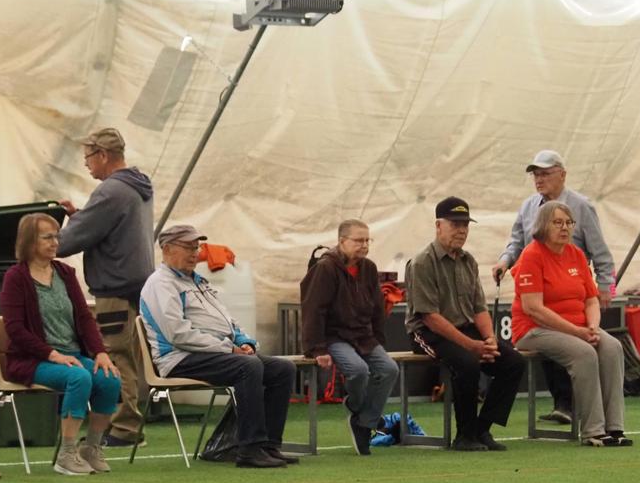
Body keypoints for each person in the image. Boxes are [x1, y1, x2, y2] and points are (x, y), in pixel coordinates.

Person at [140, 224, 297, 468]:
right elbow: (178, 334)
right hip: (179, 357)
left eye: (196, 247)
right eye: (188, 247)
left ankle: (268, 446)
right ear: (167, 249)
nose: (195, 253)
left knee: (282, 369)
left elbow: (225, 320)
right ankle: (249, 449)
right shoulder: (161, 284)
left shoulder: (196, 281)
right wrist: (228, 348)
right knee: (248, 366)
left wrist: (243, 340)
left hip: (210, 353)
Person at [492, 150, 615, 425]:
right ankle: (566, 405)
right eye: (536, 174)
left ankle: (581, 410)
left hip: (572, 290)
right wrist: (504, 261)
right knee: (554, 340)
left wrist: (607, 287)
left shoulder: (582, 207)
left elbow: (601, 252)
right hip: (538, 294)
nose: (539, 179)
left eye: (545, 173)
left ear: (563, 174)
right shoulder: (528, 206)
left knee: (586, 345)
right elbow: (516, 242)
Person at [0, 213, 123, 475]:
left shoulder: (65, 273)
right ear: (30, 241)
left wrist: (100, 352)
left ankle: (91, 447)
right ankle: (66, 453)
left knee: (110, 378)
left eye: (57, 236)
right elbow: (15, 329)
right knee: (78, 377)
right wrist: (52, 354)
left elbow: (84, 317)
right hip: (33, 360)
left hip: (72, 355)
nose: (55, 242)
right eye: (47, 237)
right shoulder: (15, 277)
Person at [57, 127, 154, 448]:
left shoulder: (111, 191)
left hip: (115, 288)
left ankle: (123, 428)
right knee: (128, 357)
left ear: (102, 155)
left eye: (88, 157)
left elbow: (72, 240)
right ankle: (127, 423)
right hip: (137, 286)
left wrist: (43, 240)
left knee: (115, 356)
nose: (86, 164)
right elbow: (107, 226)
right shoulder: (138, 185)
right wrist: (80, 216)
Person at [405, 197, 524, 451]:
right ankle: (465, 436)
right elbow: (429, 317)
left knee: (513, 362)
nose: (461, 230)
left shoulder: (468, 261)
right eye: (455, 224)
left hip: (463, 328)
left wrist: (489, 339)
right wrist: (472, 346)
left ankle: (482, 429)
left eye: (465, 225)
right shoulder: (422, 262)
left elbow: (479, 308)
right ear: (438, 226)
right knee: (467, 362)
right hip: (427, 332)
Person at [510, 201, 632, 447]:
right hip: (534, 330)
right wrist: (577, 332)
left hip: (579, 329)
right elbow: (534, 309)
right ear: (543, 225)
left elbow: (591, 299)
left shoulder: (576, 254)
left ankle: (615, 427)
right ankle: (593, 431)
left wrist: (593, 327)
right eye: (558, 222)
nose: (564, 228)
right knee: (584, 353)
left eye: (569, 222)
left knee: (612, 347)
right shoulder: (532, 255)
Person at [300, 219, 398, 455]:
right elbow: (313, 309)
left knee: (389, 369)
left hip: (364, 335)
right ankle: (356, 407)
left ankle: (363, 422)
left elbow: (377, 307)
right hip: (334, 336)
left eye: (367, 240)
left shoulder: (369, 268)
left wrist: (378, 340)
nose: (364, 245)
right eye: (358, 240)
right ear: (342, 241)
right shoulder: (325, 268)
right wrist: (317, 348)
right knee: (358, 370)